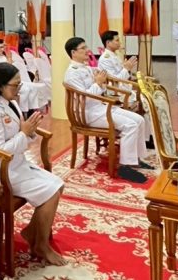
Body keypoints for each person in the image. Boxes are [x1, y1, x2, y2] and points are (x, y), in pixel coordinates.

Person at [0, 63, 65, 265]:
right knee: (50, 192)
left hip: (16, 163)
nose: (19, 89)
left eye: (19, 84)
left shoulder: (11, 103)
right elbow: (0, 150)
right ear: (0, 86)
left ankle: (32, 231)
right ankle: (40, 244)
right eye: (15, 85)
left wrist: (29, 131)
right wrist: (24, 133)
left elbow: (21, 134)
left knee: (58, 184)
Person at [63, 38, 150, 183]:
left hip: (98, 108)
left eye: (86, 47)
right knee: (130, 125)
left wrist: (100, 84)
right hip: (87, 113)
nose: (87, 50)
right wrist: (98, 83)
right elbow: (85, 98)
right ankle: (125, 168)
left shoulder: (86, 68)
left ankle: (135, 159)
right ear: (73, 52)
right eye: (83, 48)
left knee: (139, 120)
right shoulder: (72, 73)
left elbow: (98, 90)